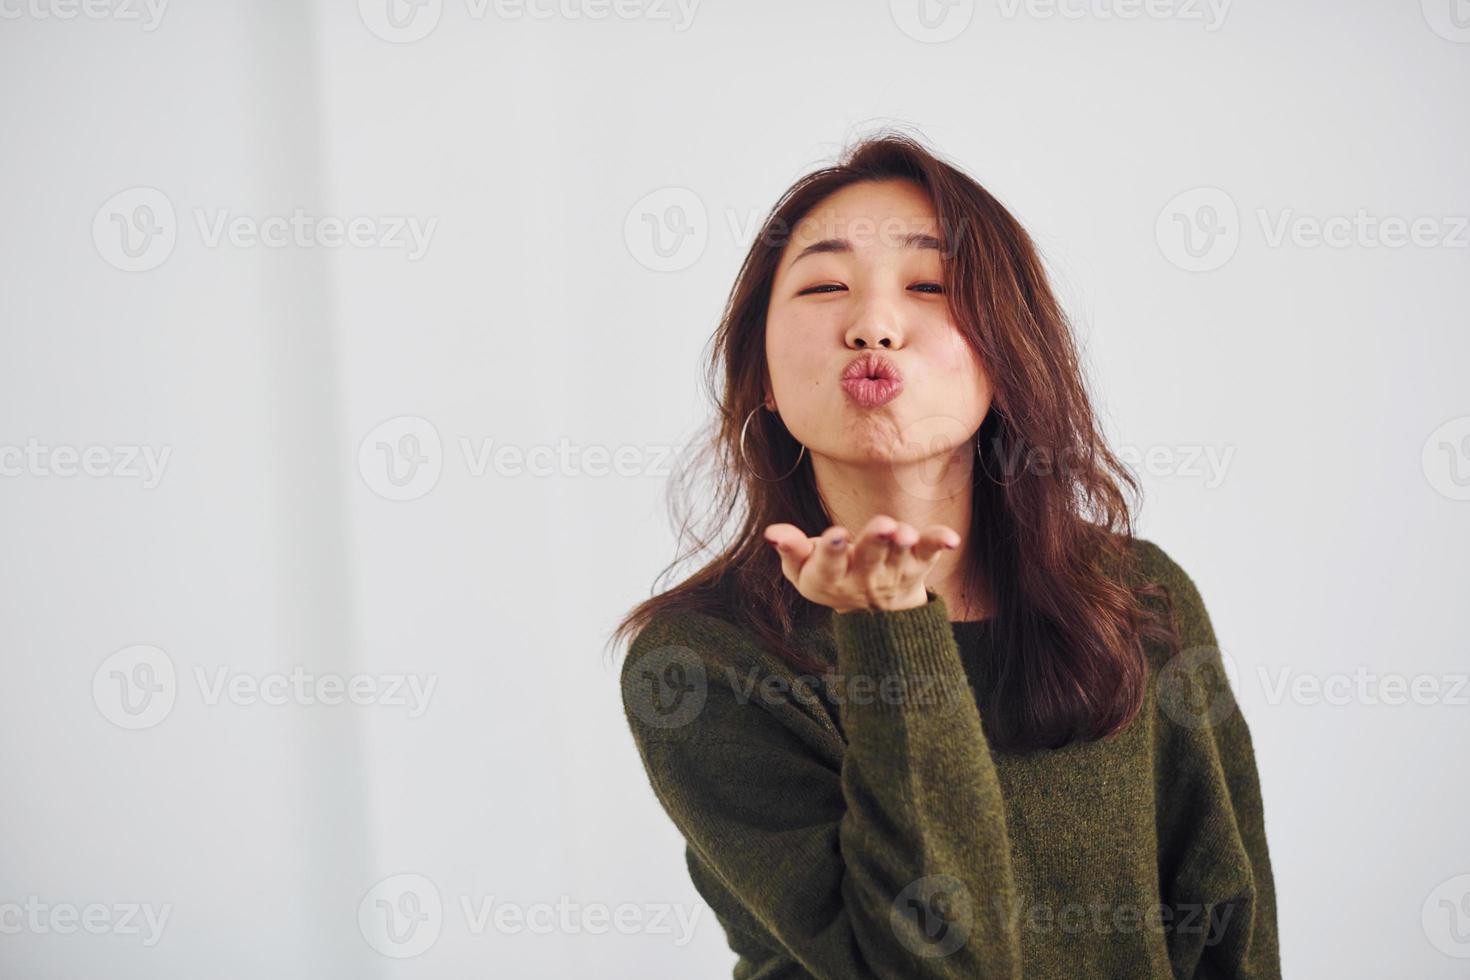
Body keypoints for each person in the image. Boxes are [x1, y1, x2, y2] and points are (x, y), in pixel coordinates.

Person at [612, 131, 1281, 978]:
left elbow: (1231, 918)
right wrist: (890, 627)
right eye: (824, 286)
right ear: (766, 378)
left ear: (1004, 357)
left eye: (929, 286)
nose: (874, 325)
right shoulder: (701, 661)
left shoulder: (1135, 596)